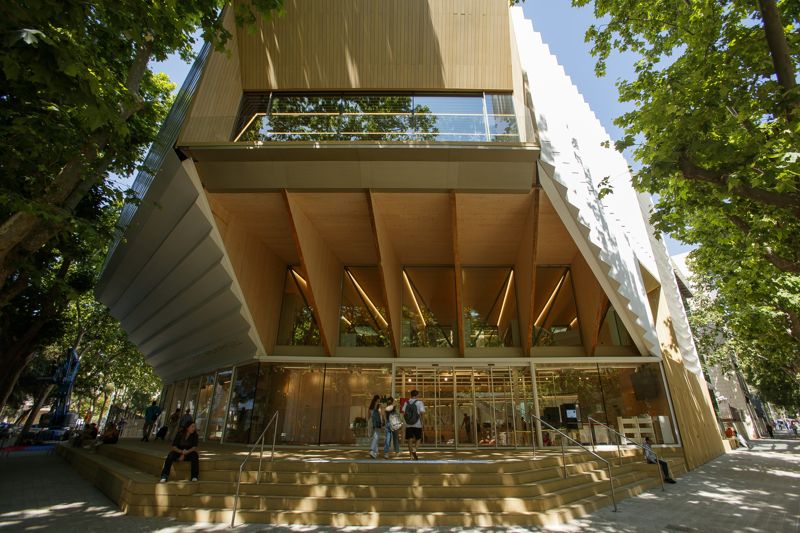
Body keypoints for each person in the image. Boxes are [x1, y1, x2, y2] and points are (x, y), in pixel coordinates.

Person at [401, 390, 425, 461]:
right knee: (418, 438)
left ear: (411, 395)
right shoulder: (419, 402)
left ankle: (411, 456)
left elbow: (404, 413)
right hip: (417, 424)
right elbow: (422, 413)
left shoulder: (406, 402)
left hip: (408, 424)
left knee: (410, 440)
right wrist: (422, 423)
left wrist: (406, 421)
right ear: (417, 395)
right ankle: (414, 450)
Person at [368, 394, 383, 459]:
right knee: (376, 437)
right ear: (377, 399)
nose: (379, 400)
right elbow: (380, 415)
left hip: (371, 423)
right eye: (379, 399)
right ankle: (372, 450)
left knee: (374, 437)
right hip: (377, 423)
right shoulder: (378, 406)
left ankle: (375, 452)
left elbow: (368, 416)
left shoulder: (371, 407)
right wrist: (382, 422)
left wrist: (368, 424)